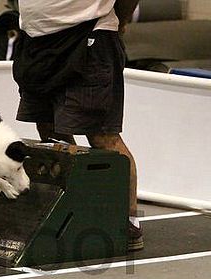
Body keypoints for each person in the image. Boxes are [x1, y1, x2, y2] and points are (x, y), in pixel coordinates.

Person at [12, 0, 143, 250]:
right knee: (50, 131)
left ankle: (128, 222)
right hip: (36, 42)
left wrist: (122, 20)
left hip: (89, 36)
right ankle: (69, 213)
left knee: (103, 136)